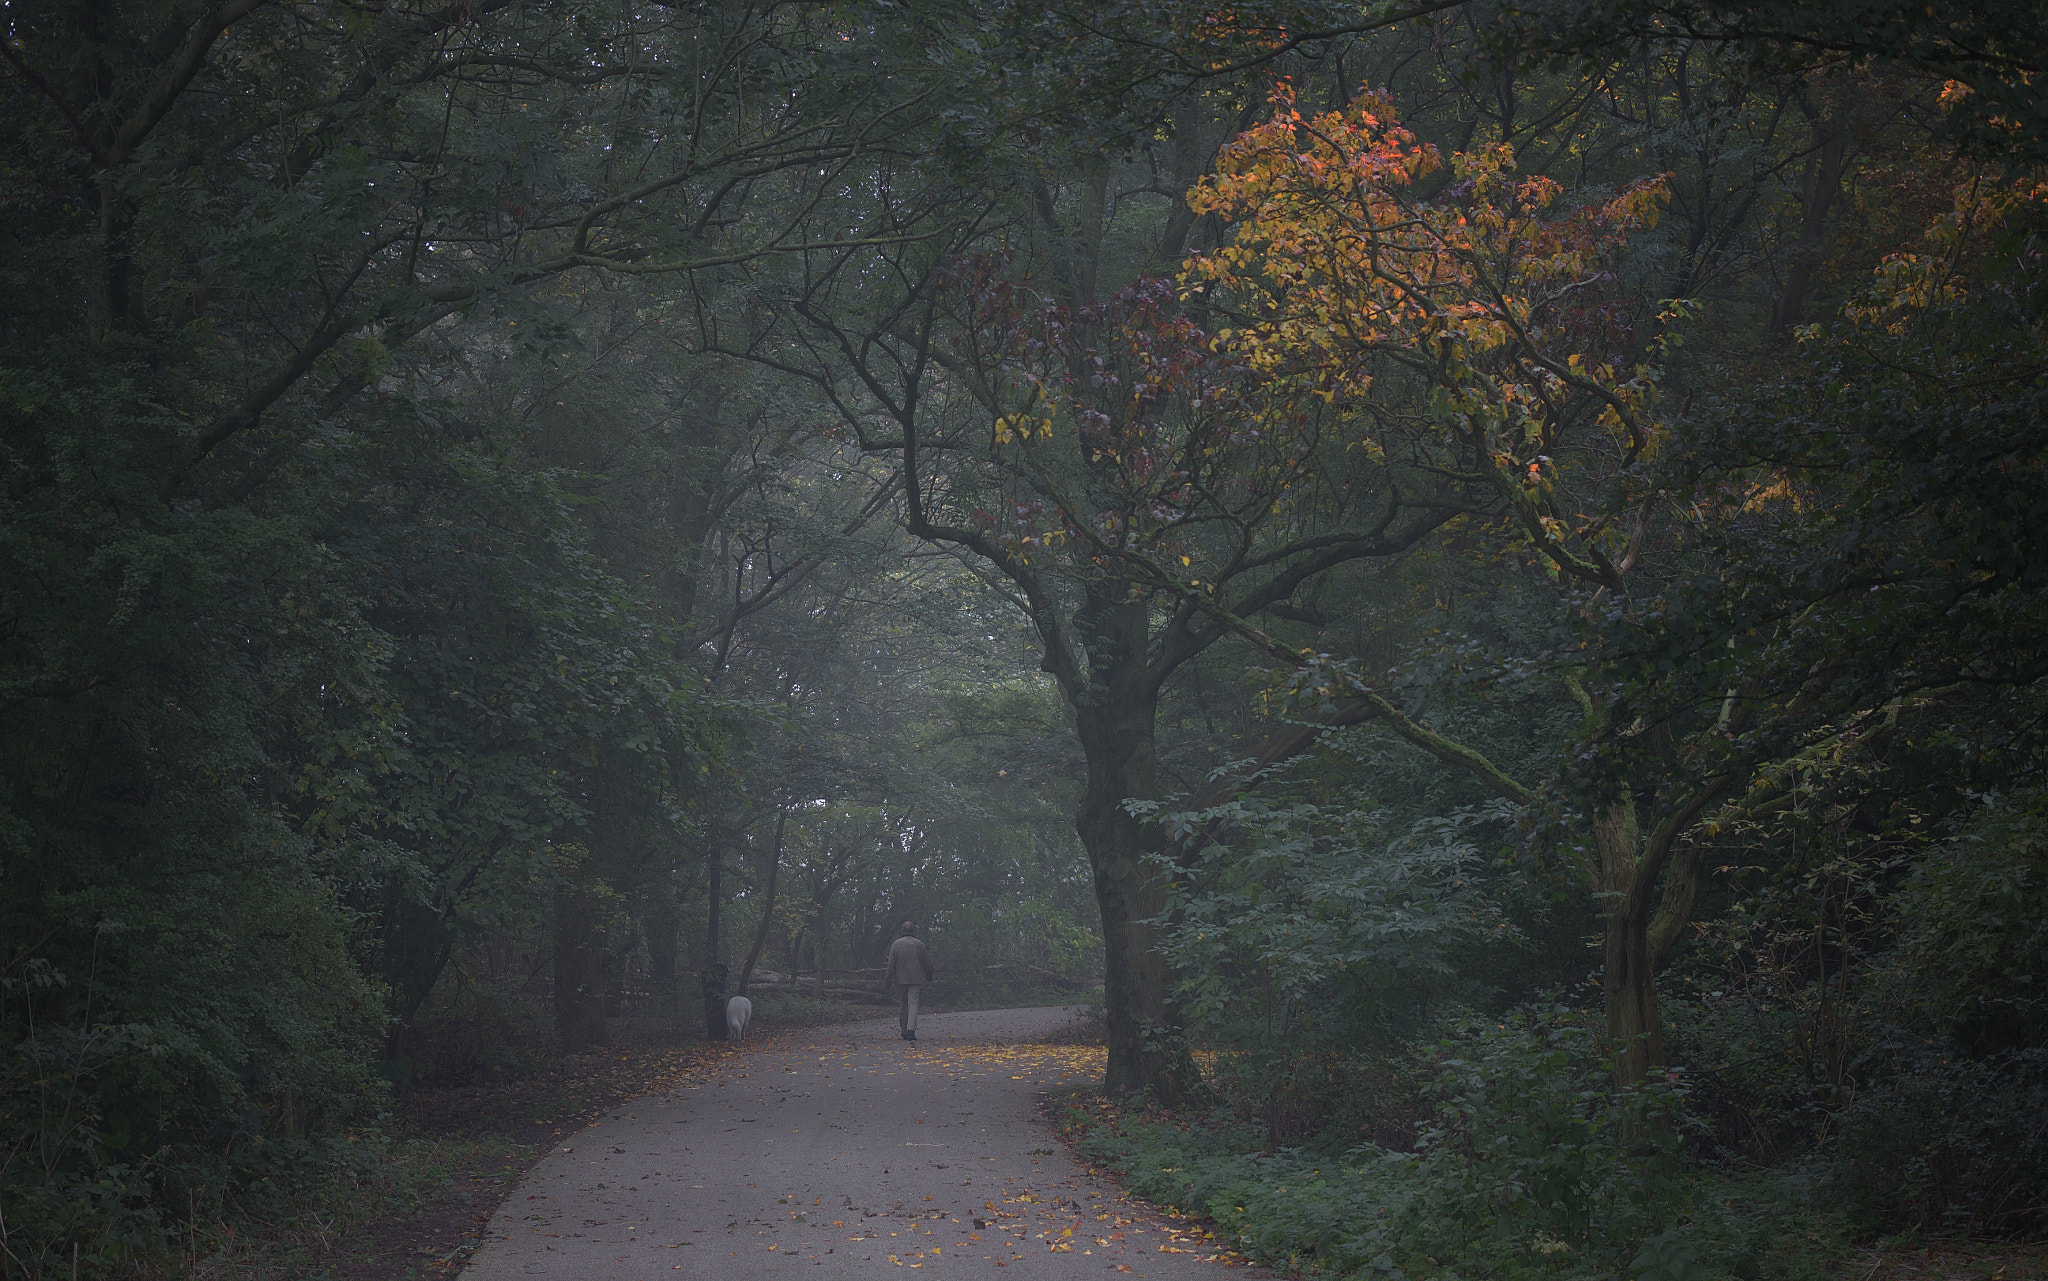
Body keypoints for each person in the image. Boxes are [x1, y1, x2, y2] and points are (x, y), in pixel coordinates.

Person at [884, 920, 935, 1040]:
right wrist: (929, 975)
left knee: (902, 1004)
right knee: (913, 1004)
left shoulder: (896, 944)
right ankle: (911, 1030)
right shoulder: (919, 944)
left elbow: (891, 964)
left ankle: (904, 1031)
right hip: (916, 978)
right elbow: (927, 962)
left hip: (900, 979)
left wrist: (887, 980)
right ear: (913, 931)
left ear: (902, 931)